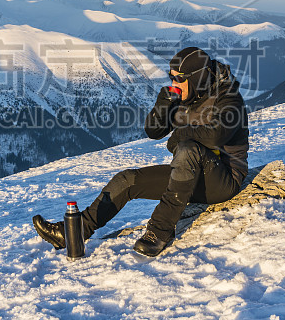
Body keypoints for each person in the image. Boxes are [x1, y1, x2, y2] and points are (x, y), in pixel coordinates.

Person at [33, 46, 250, 257]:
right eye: (171, 77)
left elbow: (215, 136)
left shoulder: (228, 98)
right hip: (188, 174)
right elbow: (153, 131)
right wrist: (162, 105)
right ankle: (73, 232)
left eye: (179, 79)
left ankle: (159, 232)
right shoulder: (185, 97)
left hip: (224, 180)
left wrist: (180, 136)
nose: (174, 83)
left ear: (197, 77)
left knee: (187, 148)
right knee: (127, 180)